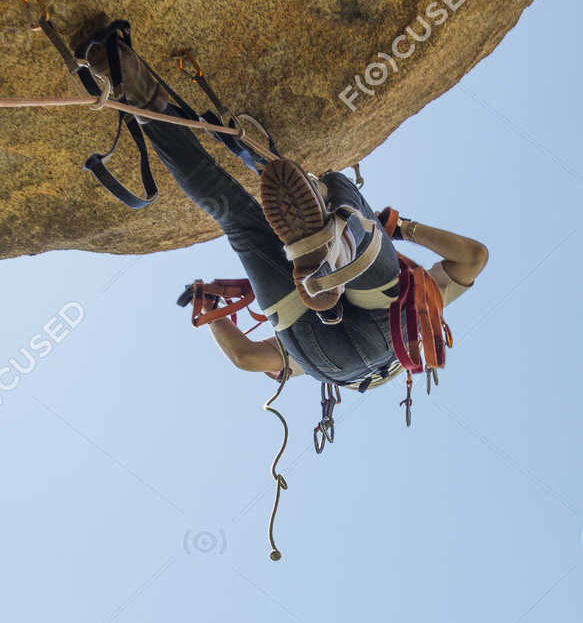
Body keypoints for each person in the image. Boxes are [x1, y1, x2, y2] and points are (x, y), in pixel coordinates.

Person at [80, 25, 489, 392]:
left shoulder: (428, 311)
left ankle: (335, 233)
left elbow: (473, 258)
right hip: (320, 360)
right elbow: (245, 358)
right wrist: (211, 308)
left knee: (339, 192)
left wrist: (401, 229)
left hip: (391, 330)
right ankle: (128, 80)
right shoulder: (302, 373)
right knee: (237, 222)